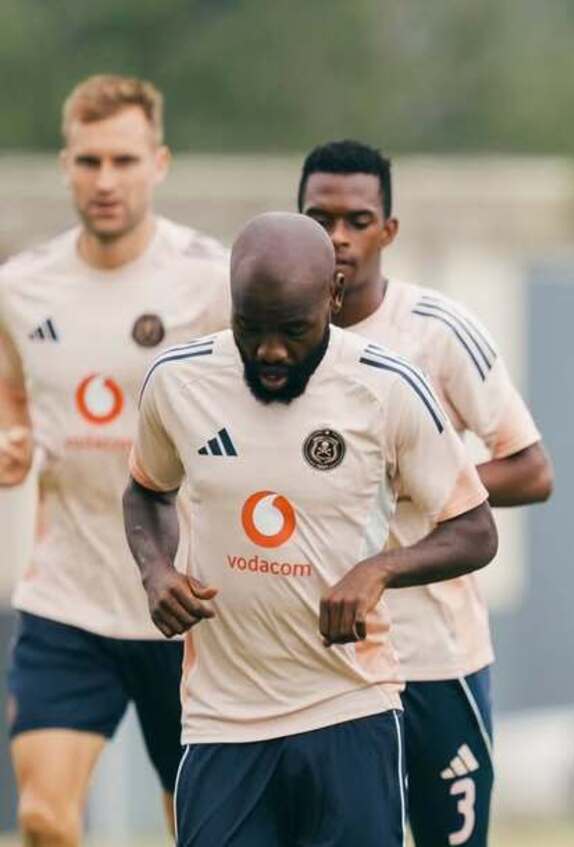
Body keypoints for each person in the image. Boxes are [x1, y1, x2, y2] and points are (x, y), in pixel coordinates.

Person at [122, 212, 498, 846]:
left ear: (333, 296)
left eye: (293, 331)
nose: (270, 351)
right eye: (251, 329)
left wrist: (377, 571)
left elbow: (475, 530)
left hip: (348, 708)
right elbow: (146, 491)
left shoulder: (387, 387)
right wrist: (156, 571)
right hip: (221, 721)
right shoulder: (177, 382)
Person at [297, 139, 553, 846]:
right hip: (324, 658)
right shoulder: (274, 341)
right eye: (320, 219)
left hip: (437, 654)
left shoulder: (435, 332)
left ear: (389, 229)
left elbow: (531, 468)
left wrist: (423, 484)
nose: (338, 237)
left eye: (356, 219)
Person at [0, 74, 229, 845]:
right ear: (66, 164)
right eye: (90, 161)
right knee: (42, 818)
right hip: (66, 598)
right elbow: (11, 398)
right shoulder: (20, 288)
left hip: (184, 603)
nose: (106, 181)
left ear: (158, 164)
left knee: (196, 829)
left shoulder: (213, 279)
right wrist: (11, 438)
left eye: (123, 161)